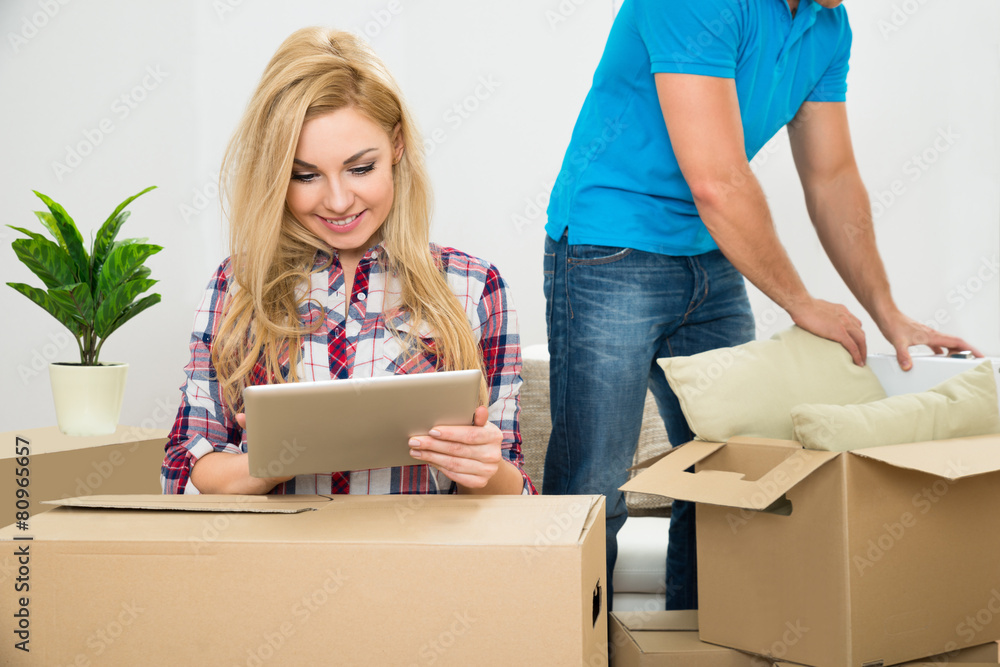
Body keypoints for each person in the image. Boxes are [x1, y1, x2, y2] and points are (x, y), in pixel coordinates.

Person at [541, 0, 980, 610]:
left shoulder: (828, 23)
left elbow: (832, 176)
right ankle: (565, 645)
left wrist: (888, 313)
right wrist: (800, 302)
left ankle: (702, 640)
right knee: (594, 480)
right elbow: (716, 182)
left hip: (711, 252)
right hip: (610, 248)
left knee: (730, 474)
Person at [161, 27, 534, 497]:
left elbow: (518, 493)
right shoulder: (238, 284)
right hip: (280, 547)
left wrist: (483, 468)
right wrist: (266, 466)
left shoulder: (475, 287)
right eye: (305, 175)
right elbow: (180, 473)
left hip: (421, 547)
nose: (338, 201)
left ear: (397, 144)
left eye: (360, 168)